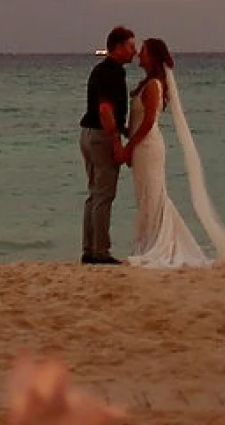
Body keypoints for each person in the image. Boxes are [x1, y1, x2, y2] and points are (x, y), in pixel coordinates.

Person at [121, 38, 209, 267]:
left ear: (152, 57)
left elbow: (149, 121)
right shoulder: (147, 83)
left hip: (148, 147)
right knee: (145, 195)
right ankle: (149, 240)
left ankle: (157, 243)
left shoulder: (153, 86)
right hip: (142, 147)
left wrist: (129, 147)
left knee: (153, 194)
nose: (139, 54)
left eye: (143, 51)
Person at [78, 25, 135, 265]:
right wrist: (116, 143)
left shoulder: (100, 70)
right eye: (131, 46)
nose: (135, 51)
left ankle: (90, 248)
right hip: (101, 135)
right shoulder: (112, 72)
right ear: (119, 47)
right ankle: (100, 251)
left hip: (88, 133)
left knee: (94, 194)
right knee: (104, 195)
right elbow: (105, 109)